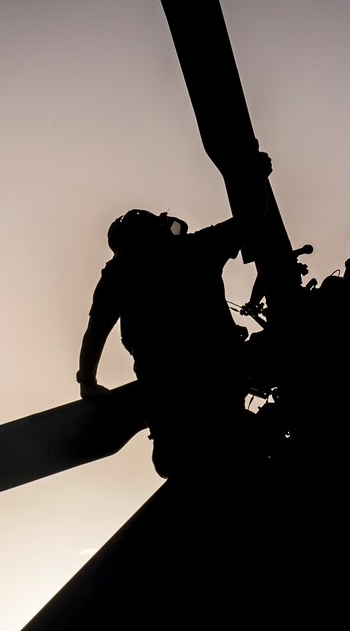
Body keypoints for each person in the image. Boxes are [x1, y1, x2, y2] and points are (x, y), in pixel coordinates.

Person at [76, 150, 271, 478]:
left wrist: (88, 381)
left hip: (170, 400)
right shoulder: (196, 248)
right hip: (220, 383)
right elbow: (252, 217)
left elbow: (95, 333)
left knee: (175, 463)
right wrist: (256, 178)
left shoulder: (118, 275)